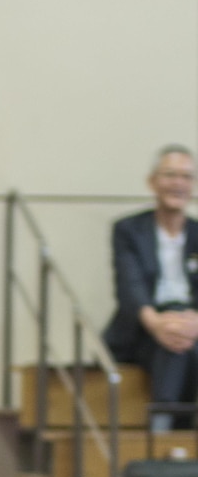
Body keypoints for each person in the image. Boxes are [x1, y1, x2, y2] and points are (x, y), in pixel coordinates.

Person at [103, 145, 198, 433]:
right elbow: (129, 287)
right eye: (170, 175)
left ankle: (165, 428)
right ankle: (167, 434)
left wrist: (192, 323)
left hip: (190, 330)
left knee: (181, 345)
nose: (178, 183)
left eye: (186, 176)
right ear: (152, 182)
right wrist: (158, 324)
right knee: (175, 346)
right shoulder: (128, 230)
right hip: (142, 331)